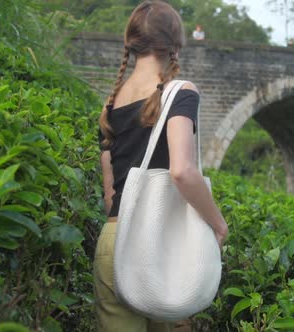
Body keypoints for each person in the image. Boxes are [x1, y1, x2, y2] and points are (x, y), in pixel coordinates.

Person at [94, 1, 228, 331]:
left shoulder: (110, 104)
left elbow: (110, 194)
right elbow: (182, 171)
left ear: (132, 41)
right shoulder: (181, 93)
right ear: (175, 44)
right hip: (159, 245)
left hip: (113, 241)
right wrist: (218, 224)